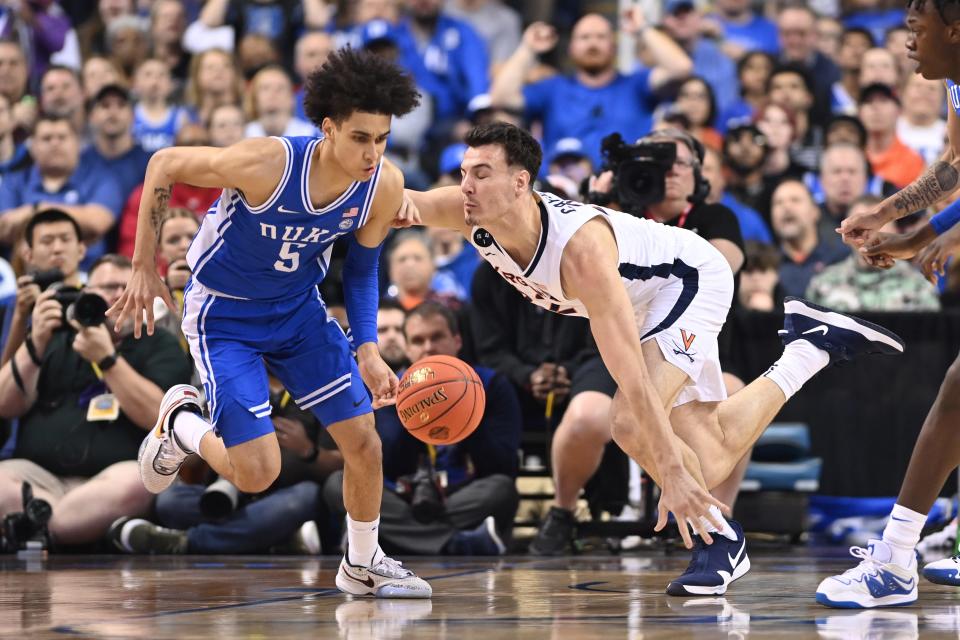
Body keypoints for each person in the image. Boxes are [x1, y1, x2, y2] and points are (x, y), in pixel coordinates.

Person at [399, 121, 904, 596]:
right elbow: (394, 201)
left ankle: (720, 541)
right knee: (708, 453)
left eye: (481, 173)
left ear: (519, 184)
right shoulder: (468, 214)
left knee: (629, 421)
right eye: (463, 173)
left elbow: (635, 385)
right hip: (645, 296)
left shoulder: (581, 253)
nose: (465, 185)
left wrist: (669, 470)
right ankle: (809, 349)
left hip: (689, 279)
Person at [108, 48, 431, 598]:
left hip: (298, 311)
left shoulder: (384, 183)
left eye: (382, 138)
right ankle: (182, 422)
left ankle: (361, 563)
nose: (373, 153)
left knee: (364, 441)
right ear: (328, 129)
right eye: (360, 138)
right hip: (224, 314)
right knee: (257, 473)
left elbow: (363, 267)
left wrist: (370, 348)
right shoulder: (269, 163)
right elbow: (163, 163)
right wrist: (143, 265)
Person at [819, 0, 960, 609]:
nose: (907, 42)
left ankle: (896, 559)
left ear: (954, 30)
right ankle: (898, 555)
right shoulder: (956, 82)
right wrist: (899, 224)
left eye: (915, 29)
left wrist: (945, 235)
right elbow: (955, 168)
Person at [0, 254, 193, 546]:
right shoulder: (55, 336)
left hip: (114, 478)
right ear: (86, 293)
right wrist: (35, 343)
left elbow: (158, 415)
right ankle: (68, 530)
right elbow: (5, 404)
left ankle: (36, 529)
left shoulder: (159, 342)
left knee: (139, 482)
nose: (117, 296)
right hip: (39, 479)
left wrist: (107, 359)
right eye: (106, 288)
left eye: (125, 287)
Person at [324, 301, 522, 556]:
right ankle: (456, 543)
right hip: (404, 496)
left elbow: (503, 463)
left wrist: (463, 413)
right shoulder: (387, 388)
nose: (428, 348)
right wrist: (399, 412)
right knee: (337, 484)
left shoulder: (491, 384)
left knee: (501, 489)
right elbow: (385, 463)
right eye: (418, 340)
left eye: (437, 337)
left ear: (457, 341)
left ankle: (393, 541)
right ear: (407, 348)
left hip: (460, 494)